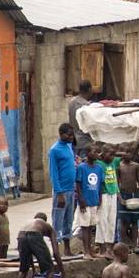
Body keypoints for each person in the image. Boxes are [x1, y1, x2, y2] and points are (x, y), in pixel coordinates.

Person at [15, 213, 63, 278]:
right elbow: (56, 253)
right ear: (45, 221)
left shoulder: (29, 223)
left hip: (21, 235)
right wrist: (63, 271)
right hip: (34, 235)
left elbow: (29, 252)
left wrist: (32, 268)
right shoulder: (48, 228)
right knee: (50, 269)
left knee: (23, 269)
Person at [48, 123, 77, 256]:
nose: (71, 137)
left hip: (71, 189)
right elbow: (53, 173)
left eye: (72, 135)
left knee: (68, 220)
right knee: (58, 219)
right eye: (69, 135)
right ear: (61, 134)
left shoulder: (69, 146)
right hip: (61, 191)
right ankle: (56, 250)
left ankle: (67, 248)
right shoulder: (54, 150)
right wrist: (59, 192)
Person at [117, 149, 139, 253]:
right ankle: (124, 246)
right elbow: (117, 183)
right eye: (126, 152)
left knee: (135, 222)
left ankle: (135, 245)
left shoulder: (136, 166)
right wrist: (120, 197)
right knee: (123, 222)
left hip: (134, 195)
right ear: (121, 153)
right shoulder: (119, 166)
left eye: (130, 152)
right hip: (123, 194)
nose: (128, 154)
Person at [74, 147, 103, 257]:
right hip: (84, 202)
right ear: (87, 153)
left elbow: (100, 184)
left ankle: (90, 250)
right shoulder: (82, 167)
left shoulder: (99, 168)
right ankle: (86, 251)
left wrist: (99, 198)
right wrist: (81, 200)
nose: (96, 154)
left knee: (91, 226)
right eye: (94, 151)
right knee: (84, 226)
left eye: (97, 151)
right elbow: (78, 184)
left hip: (94, 201)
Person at [95, 144, 120, 256]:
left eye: (113, 155)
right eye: (110, 154)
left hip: (113, 193)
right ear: (103, 154)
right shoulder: (99, 164)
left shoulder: (113, 162)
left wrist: (113, 153)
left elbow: (128, 155)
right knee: (102, 221)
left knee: (111, 221)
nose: (112, 157)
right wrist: (100, 155)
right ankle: (102, 248)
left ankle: (109, 247)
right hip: (103, 194)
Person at [67, 80, 94, 158]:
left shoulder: (71, 102)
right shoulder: (87, 106)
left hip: (74, 139)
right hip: (84, 142)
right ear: (89, 90)